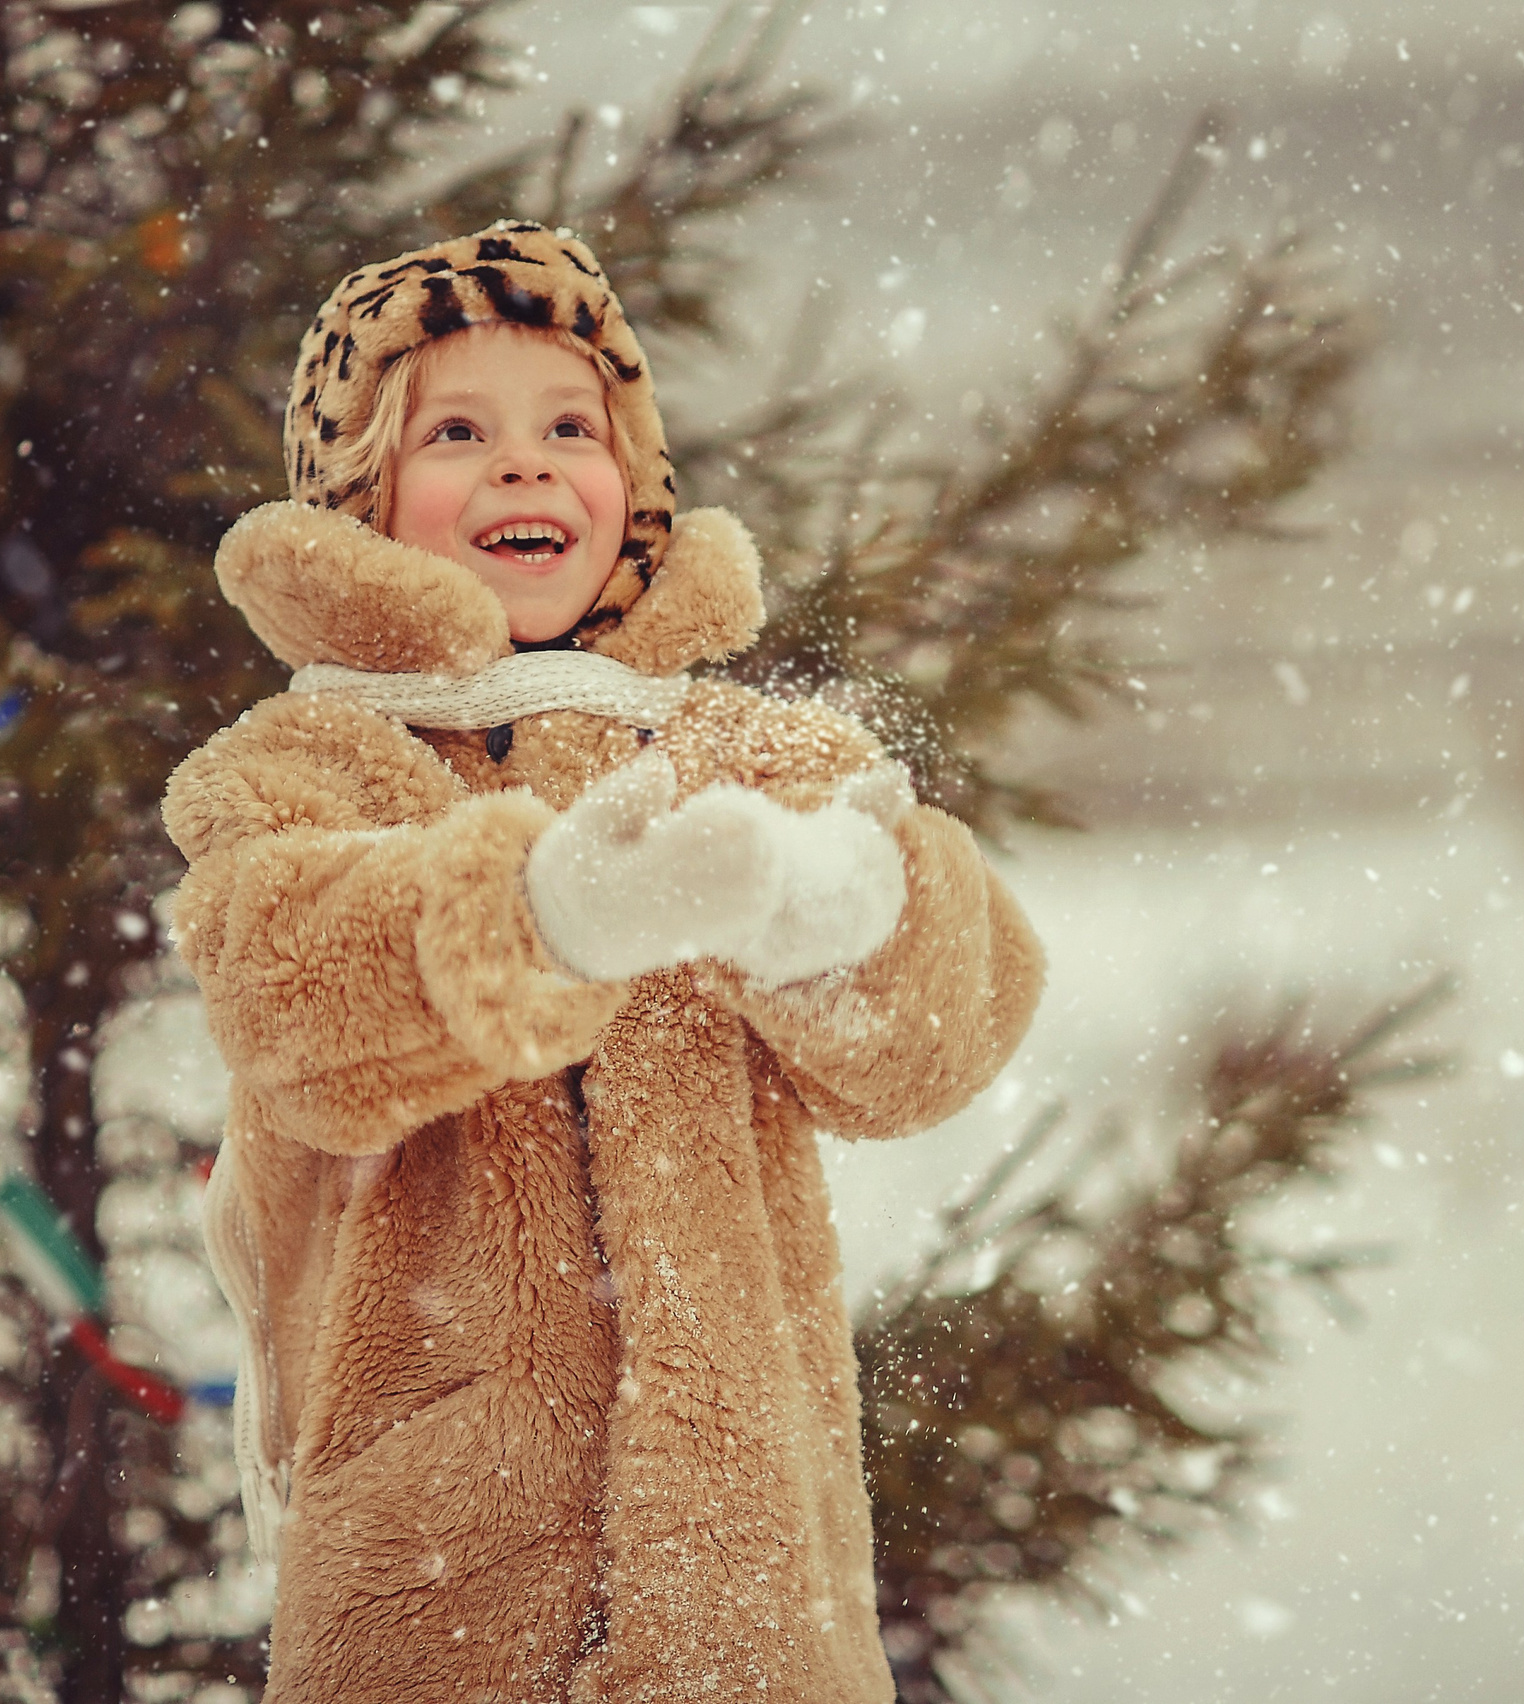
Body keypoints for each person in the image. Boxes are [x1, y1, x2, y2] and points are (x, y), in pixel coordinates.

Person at [164, 221, 1044, 1704]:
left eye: (569, 427)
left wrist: (849, 921)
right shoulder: (304, 765)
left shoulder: (740, 750)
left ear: (630, 486)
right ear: (361, 497)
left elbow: (949, 1031)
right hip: (435, 1600)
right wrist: (548, 915)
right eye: (459, 432)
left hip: (744, 1595)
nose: (524, 466)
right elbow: (289, 988)